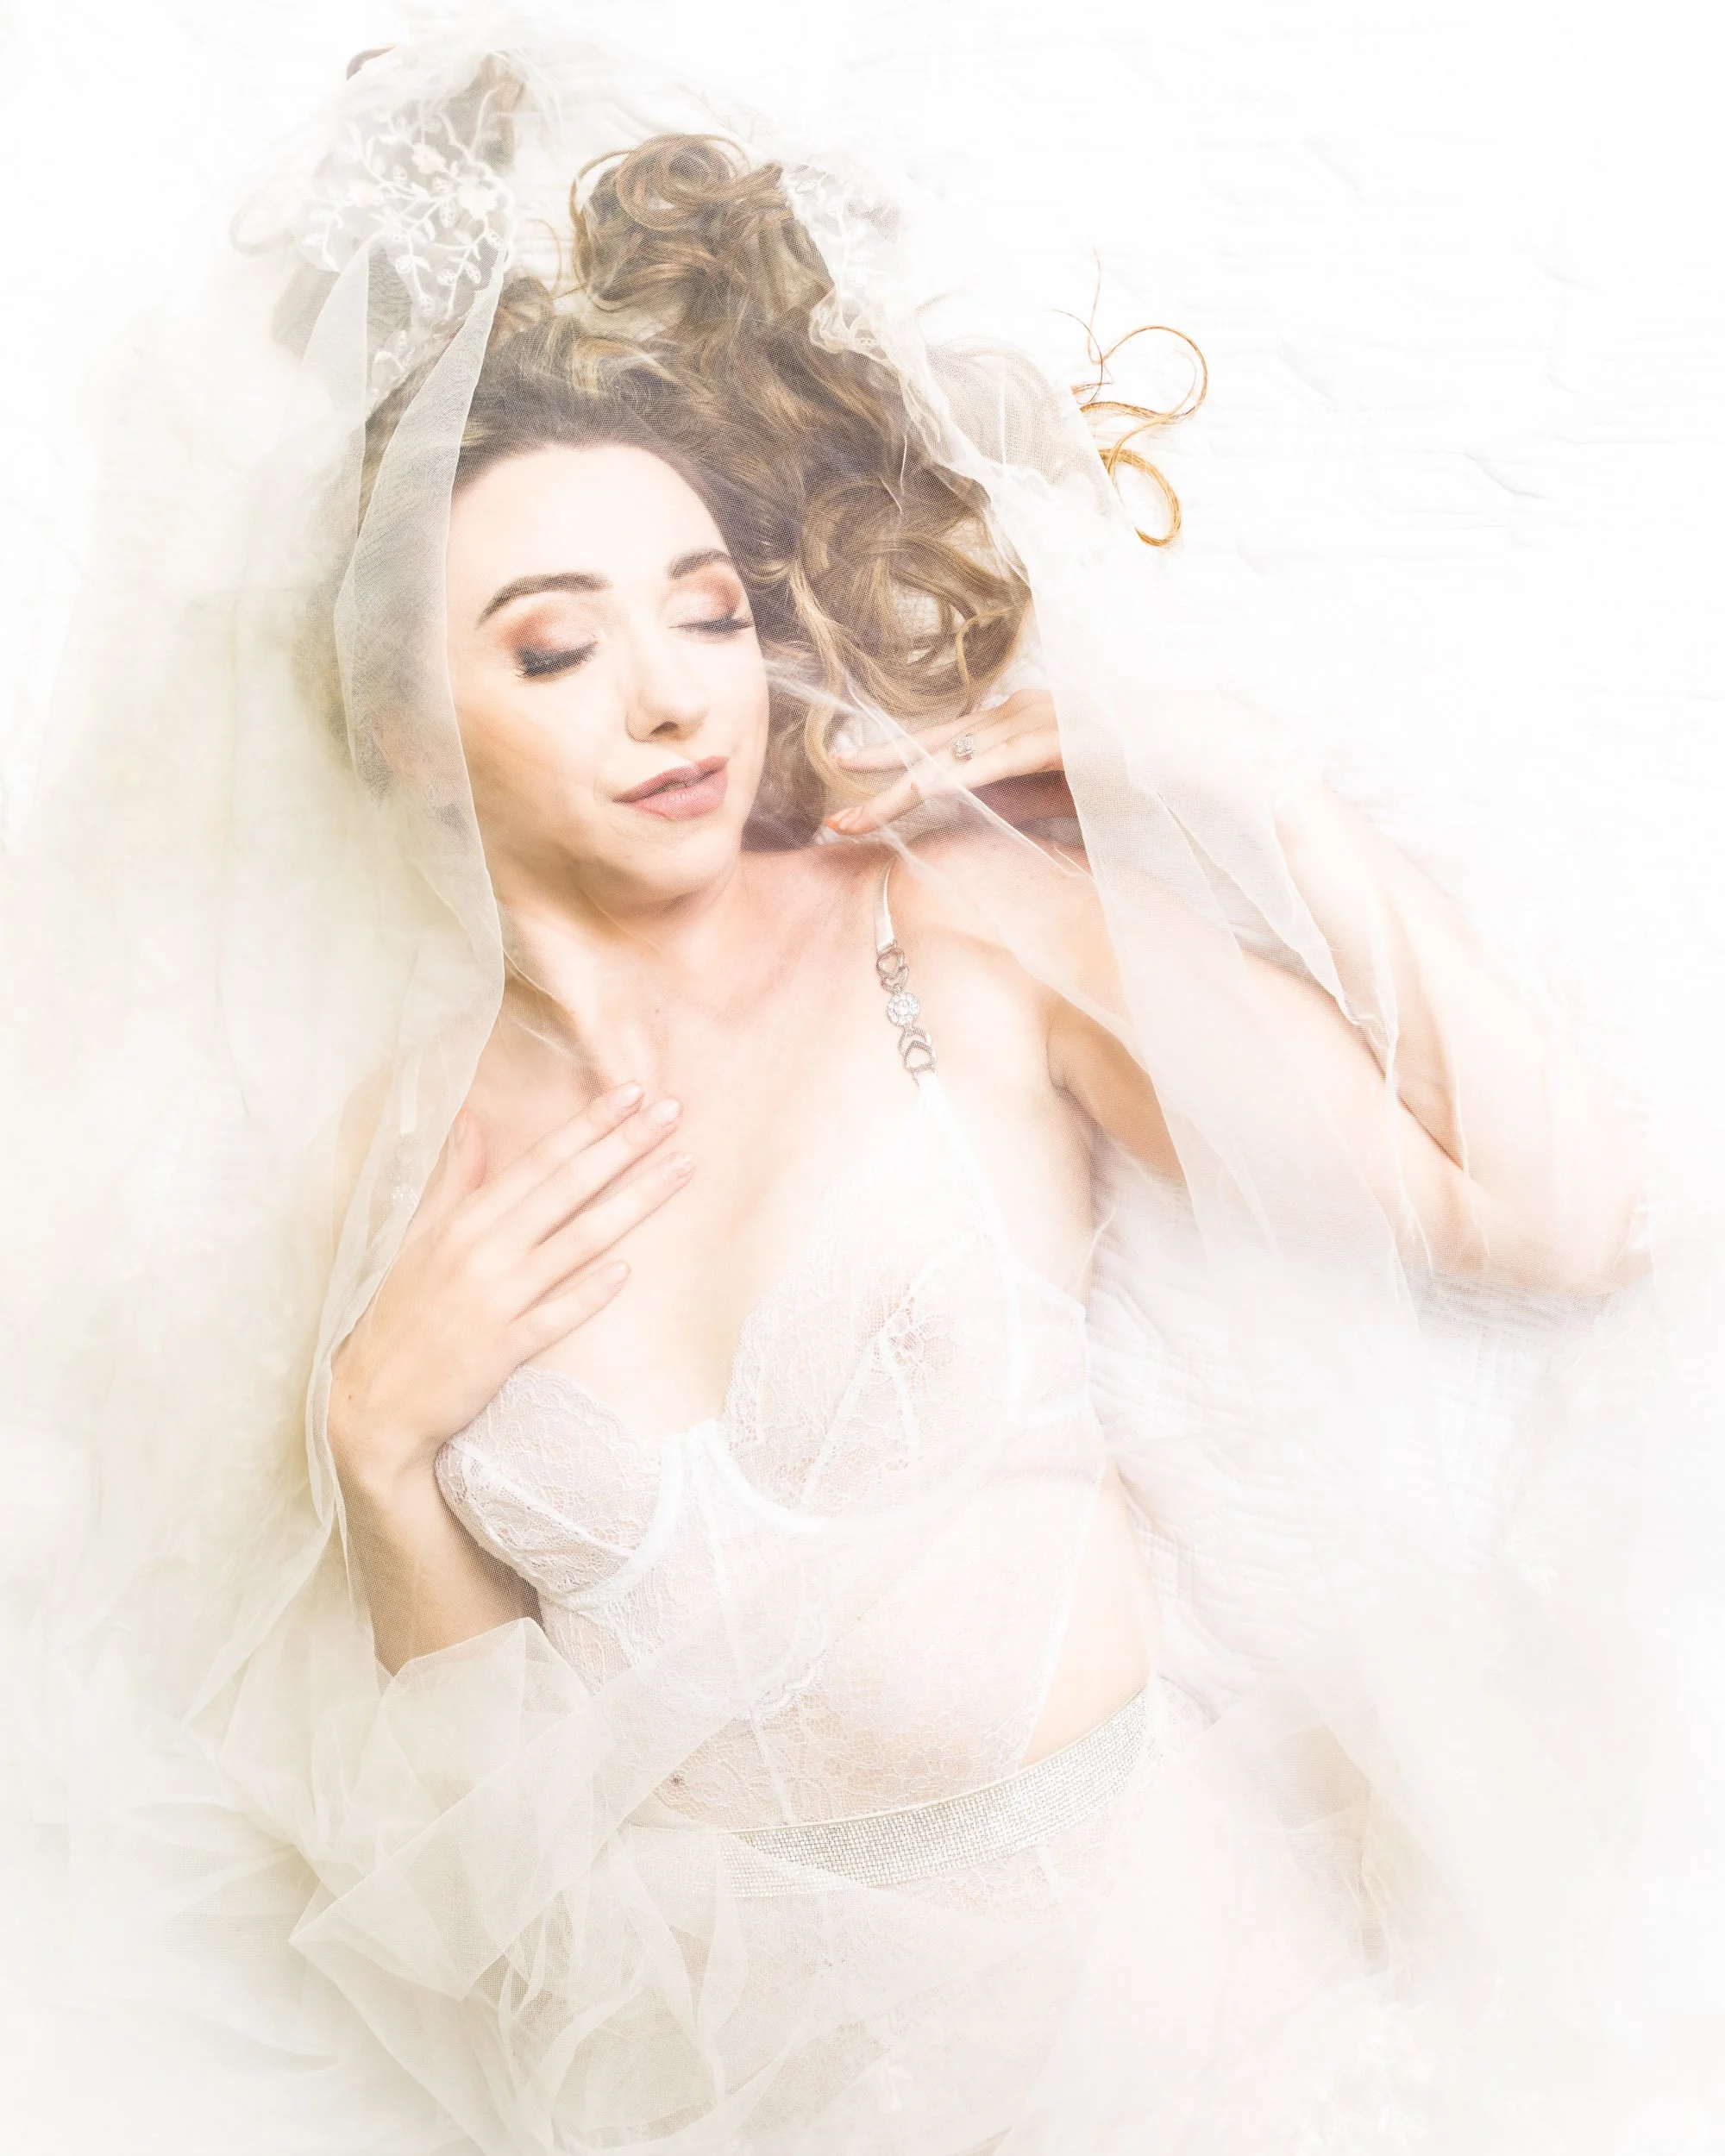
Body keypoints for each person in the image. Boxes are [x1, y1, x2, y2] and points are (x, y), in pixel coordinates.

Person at [2, 23, 1705, 2156]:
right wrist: (379, 1451)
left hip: (1159, 2041)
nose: (666, 694)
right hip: (693, 2086)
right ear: (407, 732)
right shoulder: (399, 1150)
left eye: (704, 611)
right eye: (550, 646)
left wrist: (1202, 772)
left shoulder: (962, 935)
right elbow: (471, 1870)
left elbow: (1568, 1217)